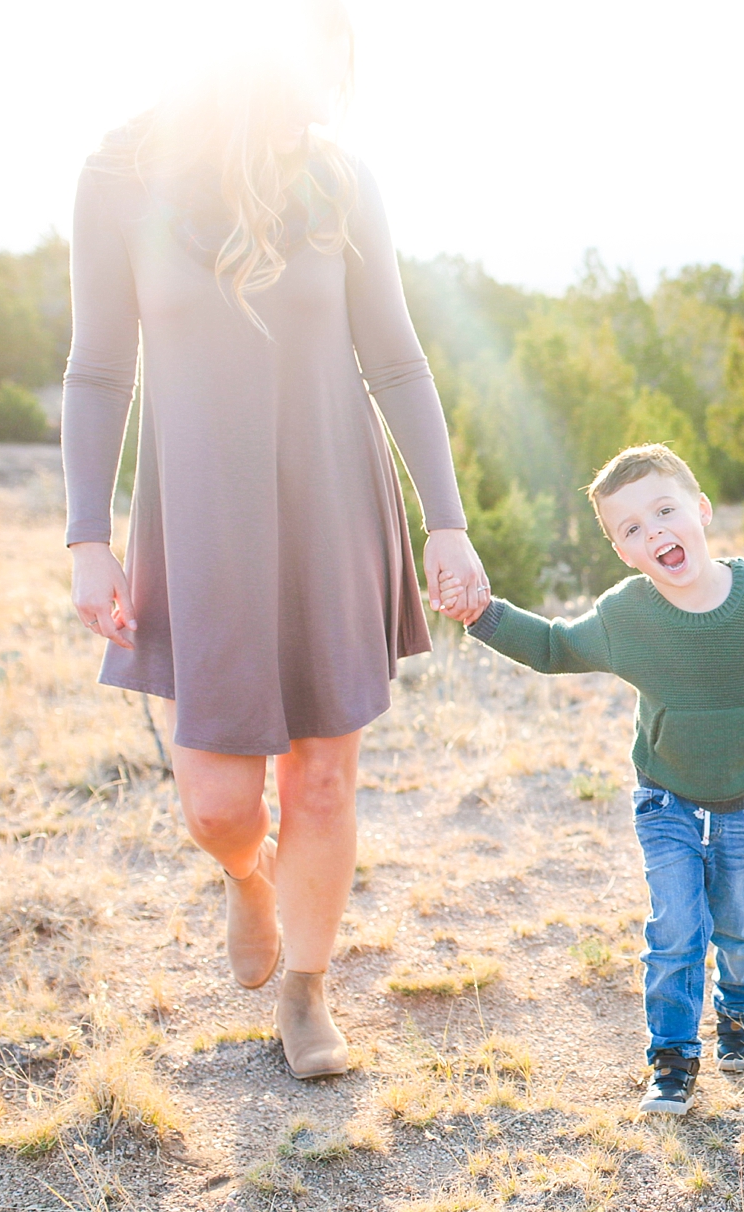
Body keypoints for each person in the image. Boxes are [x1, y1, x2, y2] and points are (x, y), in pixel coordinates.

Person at [61, 1, 489, 1080]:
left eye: (337, 62)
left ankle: (306, 987)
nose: (327, 87)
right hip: (194, 517)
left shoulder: (341, 183)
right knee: (216, 798)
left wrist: (446, 520)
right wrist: (86, 535)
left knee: (323, 780)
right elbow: (98, 368)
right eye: (310, 59)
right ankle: (247, 880)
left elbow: (395, 359)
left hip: (333, 503)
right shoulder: (119, 181)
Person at [447, 444, 744, 1116]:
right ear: (623, 552)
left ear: (701, 510)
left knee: (736, 925)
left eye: (664, 510)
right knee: (676, 927)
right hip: (666, 798)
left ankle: (737, 1014)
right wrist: (484, 615)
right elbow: (556, 647)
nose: (653, 532)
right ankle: (673, 1057)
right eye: (631, 529)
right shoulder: (629, 615)